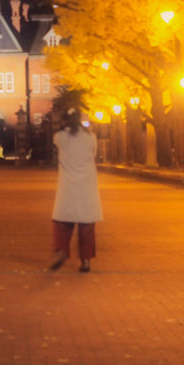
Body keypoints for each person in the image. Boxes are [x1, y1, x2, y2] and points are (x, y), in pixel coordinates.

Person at [49, 109, 102, 273]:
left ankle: (62, 250)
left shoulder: (61, 137)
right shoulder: (90, 137)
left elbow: (57, 139)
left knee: (62, 222)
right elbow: (93, 154)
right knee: (87, 225)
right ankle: (85, 261)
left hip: (67, 185)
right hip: (87, 185)